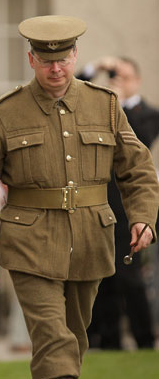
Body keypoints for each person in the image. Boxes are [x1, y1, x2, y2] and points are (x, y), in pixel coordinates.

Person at [0, 15, 159, 378]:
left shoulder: (106, 104)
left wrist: (143, 217)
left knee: (73, 339)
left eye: (63, 59)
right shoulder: (6, 112)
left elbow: (137, 167)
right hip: (28, 242)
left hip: (89, 240)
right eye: (46, 61)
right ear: (31, 60)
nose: (55, 68)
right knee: (52, 336)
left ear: (76, 55)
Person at [78, 56, 159, 350]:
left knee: (131, 277)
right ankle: (106, 340)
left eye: (123, 76)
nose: (117, 81)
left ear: (136, 80)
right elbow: (67, 96)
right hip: (100, 206)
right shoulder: (103, 110)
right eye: (114, 76)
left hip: (130, 210)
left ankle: (144, 339)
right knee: (102, 277)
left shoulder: (147, 113)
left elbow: (139, 145)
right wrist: (92, 69)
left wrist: (121, 100)